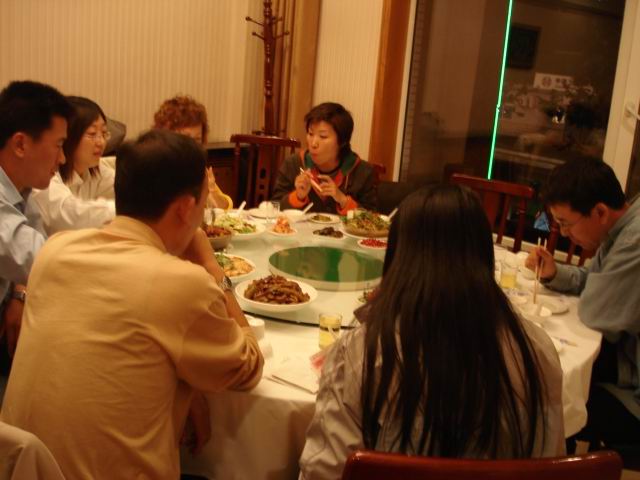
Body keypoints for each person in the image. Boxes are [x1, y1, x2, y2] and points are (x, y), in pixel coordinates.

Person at [1, 130, 264, 479]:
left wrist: (188, 389)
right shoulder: (183, 283)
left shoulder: (55, 250)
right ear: (186, 208)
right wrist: (213, 269)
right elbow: (248, 369)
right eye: (203, 206)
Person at [299, 185, 564, 479]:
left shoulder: (361, 352)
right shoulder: (535, 348)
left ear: (398, 258)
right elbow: (550, 463)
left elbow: (324, 472)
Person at [524, 158, 640, 452]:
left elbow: (595, 311)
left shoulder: (634, 240)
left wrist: (595, 289)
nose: (563, 233)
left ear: (600, 212)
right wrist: (555, 273)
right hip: (624, 359)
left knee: (547, 403)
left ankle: (557, 468)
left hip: (634, 393)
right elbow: (594, 280)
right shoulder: (621, 228)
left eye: (565, 223)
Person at [0, 80, 71, 365]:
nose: (62, 158)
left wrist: (20, 293)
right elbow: (45, 259)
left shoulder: (21, 188)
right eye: (59, 145)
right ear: (20, 144)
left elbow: (34, 243)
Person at [272, 102, 377, 214]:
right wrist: (298, 196)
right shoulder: (293, 164)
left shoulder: (362, 172)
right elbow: (274, 208)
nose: (313, 143)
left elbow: (372, 218)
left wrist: (343, 200)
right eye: (310, 134)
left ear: (342, 141)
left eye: (323, 136)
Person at [31, 96, 116, 234]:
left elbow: (125, 188)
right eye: (92, 134)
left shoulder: (94, 169)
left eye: (104, 133)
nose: (101, 142)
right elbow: (68, 216)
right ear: (68, 137)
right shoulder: (45, 173)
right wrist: (125, 209)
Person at [153, 95, 233, 210]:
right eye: (185, 138)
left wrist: (212, 190)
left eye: (197, 140)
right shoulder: (154, 169)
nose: (192, 146)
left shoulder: (196, 169)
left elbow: (225, 207)